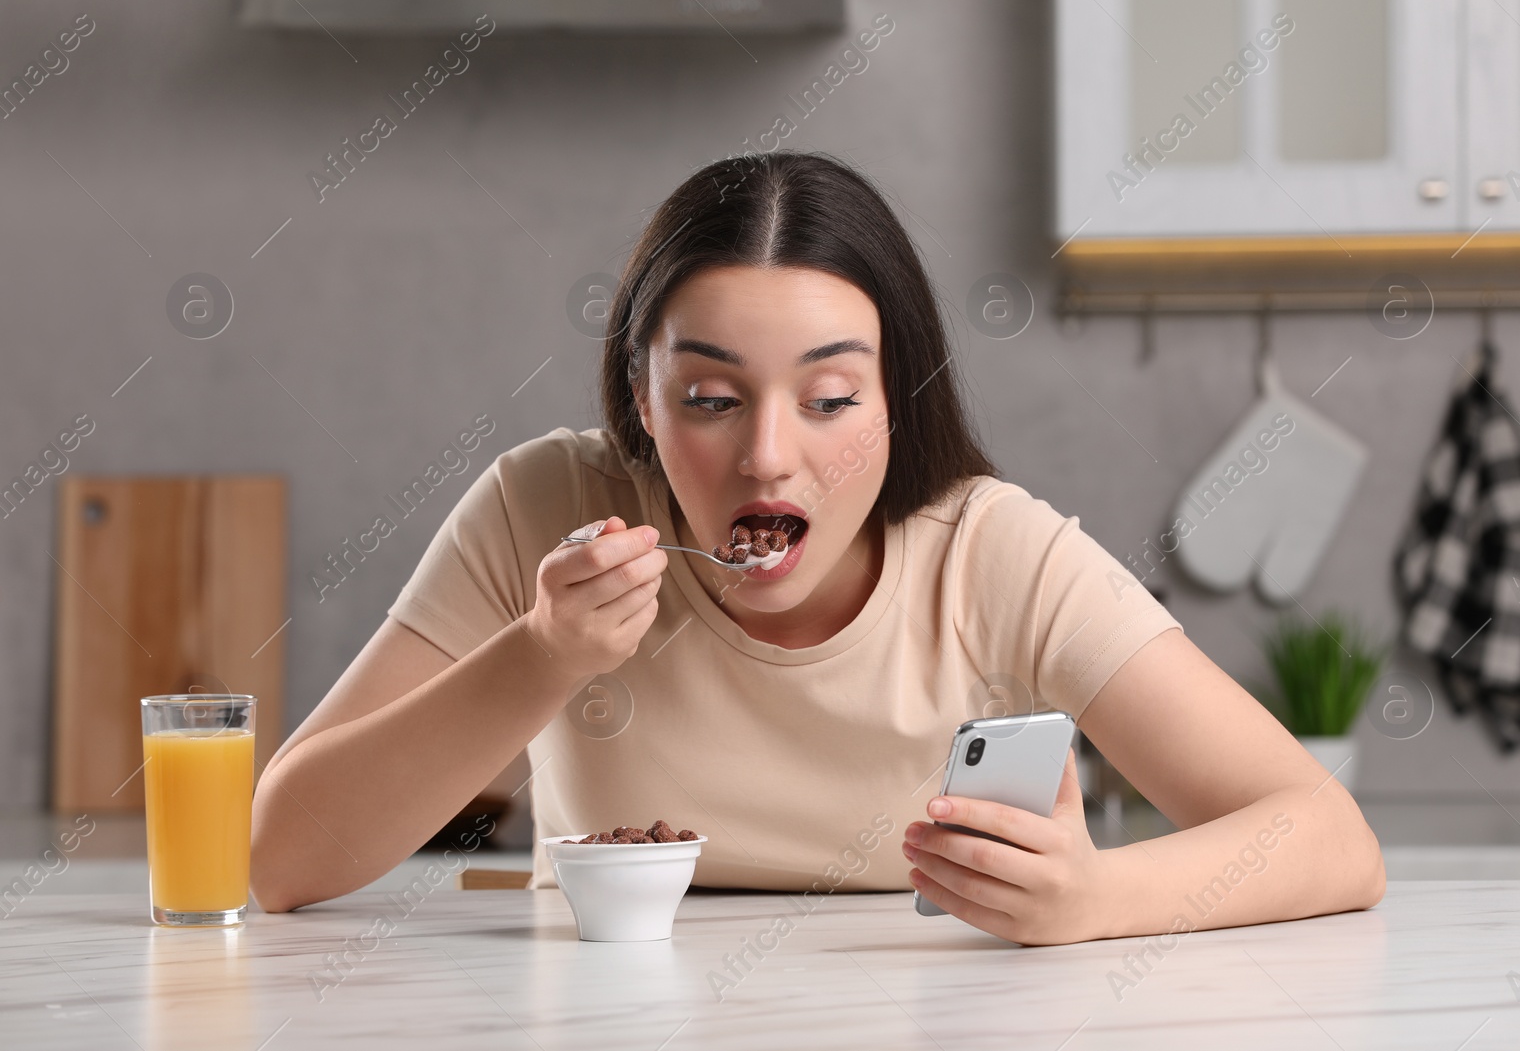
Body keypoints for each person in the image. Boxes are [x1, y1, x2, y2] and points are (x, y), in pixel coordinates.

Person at [251, 151, 1384, 945]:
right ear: (639, 402)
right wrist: (542, 652)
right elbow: (280, 861)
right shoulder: (547, 501)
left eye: (830, 397)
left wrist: (1094, 900)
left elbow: (1328, 836)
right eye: (709, 397)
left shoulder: (991, 552)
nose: (767, 459)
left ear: (898, 398)